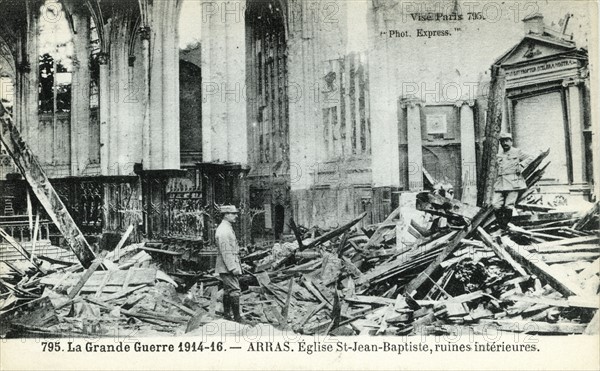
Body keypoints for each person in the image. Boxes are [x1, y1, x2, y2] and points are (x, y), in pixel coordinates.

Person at [492, 132, 531, 229]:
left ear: (511, 141)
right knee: (495, 204)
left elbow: (531, 157)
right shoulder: (499, 154)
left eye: (507, 141)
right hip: (501, 182)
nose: (504, 143)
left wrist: (521, 165)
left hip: (514, 182)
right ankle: (501, 224)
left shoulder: (517, 152)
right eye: (502, 141)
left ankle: (504, 227)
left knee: (508, 205)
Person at [215, 205, 243, 322]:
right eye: (233, 214)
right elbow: (226, 252)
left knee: (228, 290)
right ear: (226, 215)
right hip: (227, 267)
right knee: (235, 290)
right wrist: (233, 268)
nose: (236, 216)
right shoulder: (224, 230)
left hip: (226, 266)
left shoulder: (226, 228)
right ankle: (237, 318)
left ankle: (227, 316)